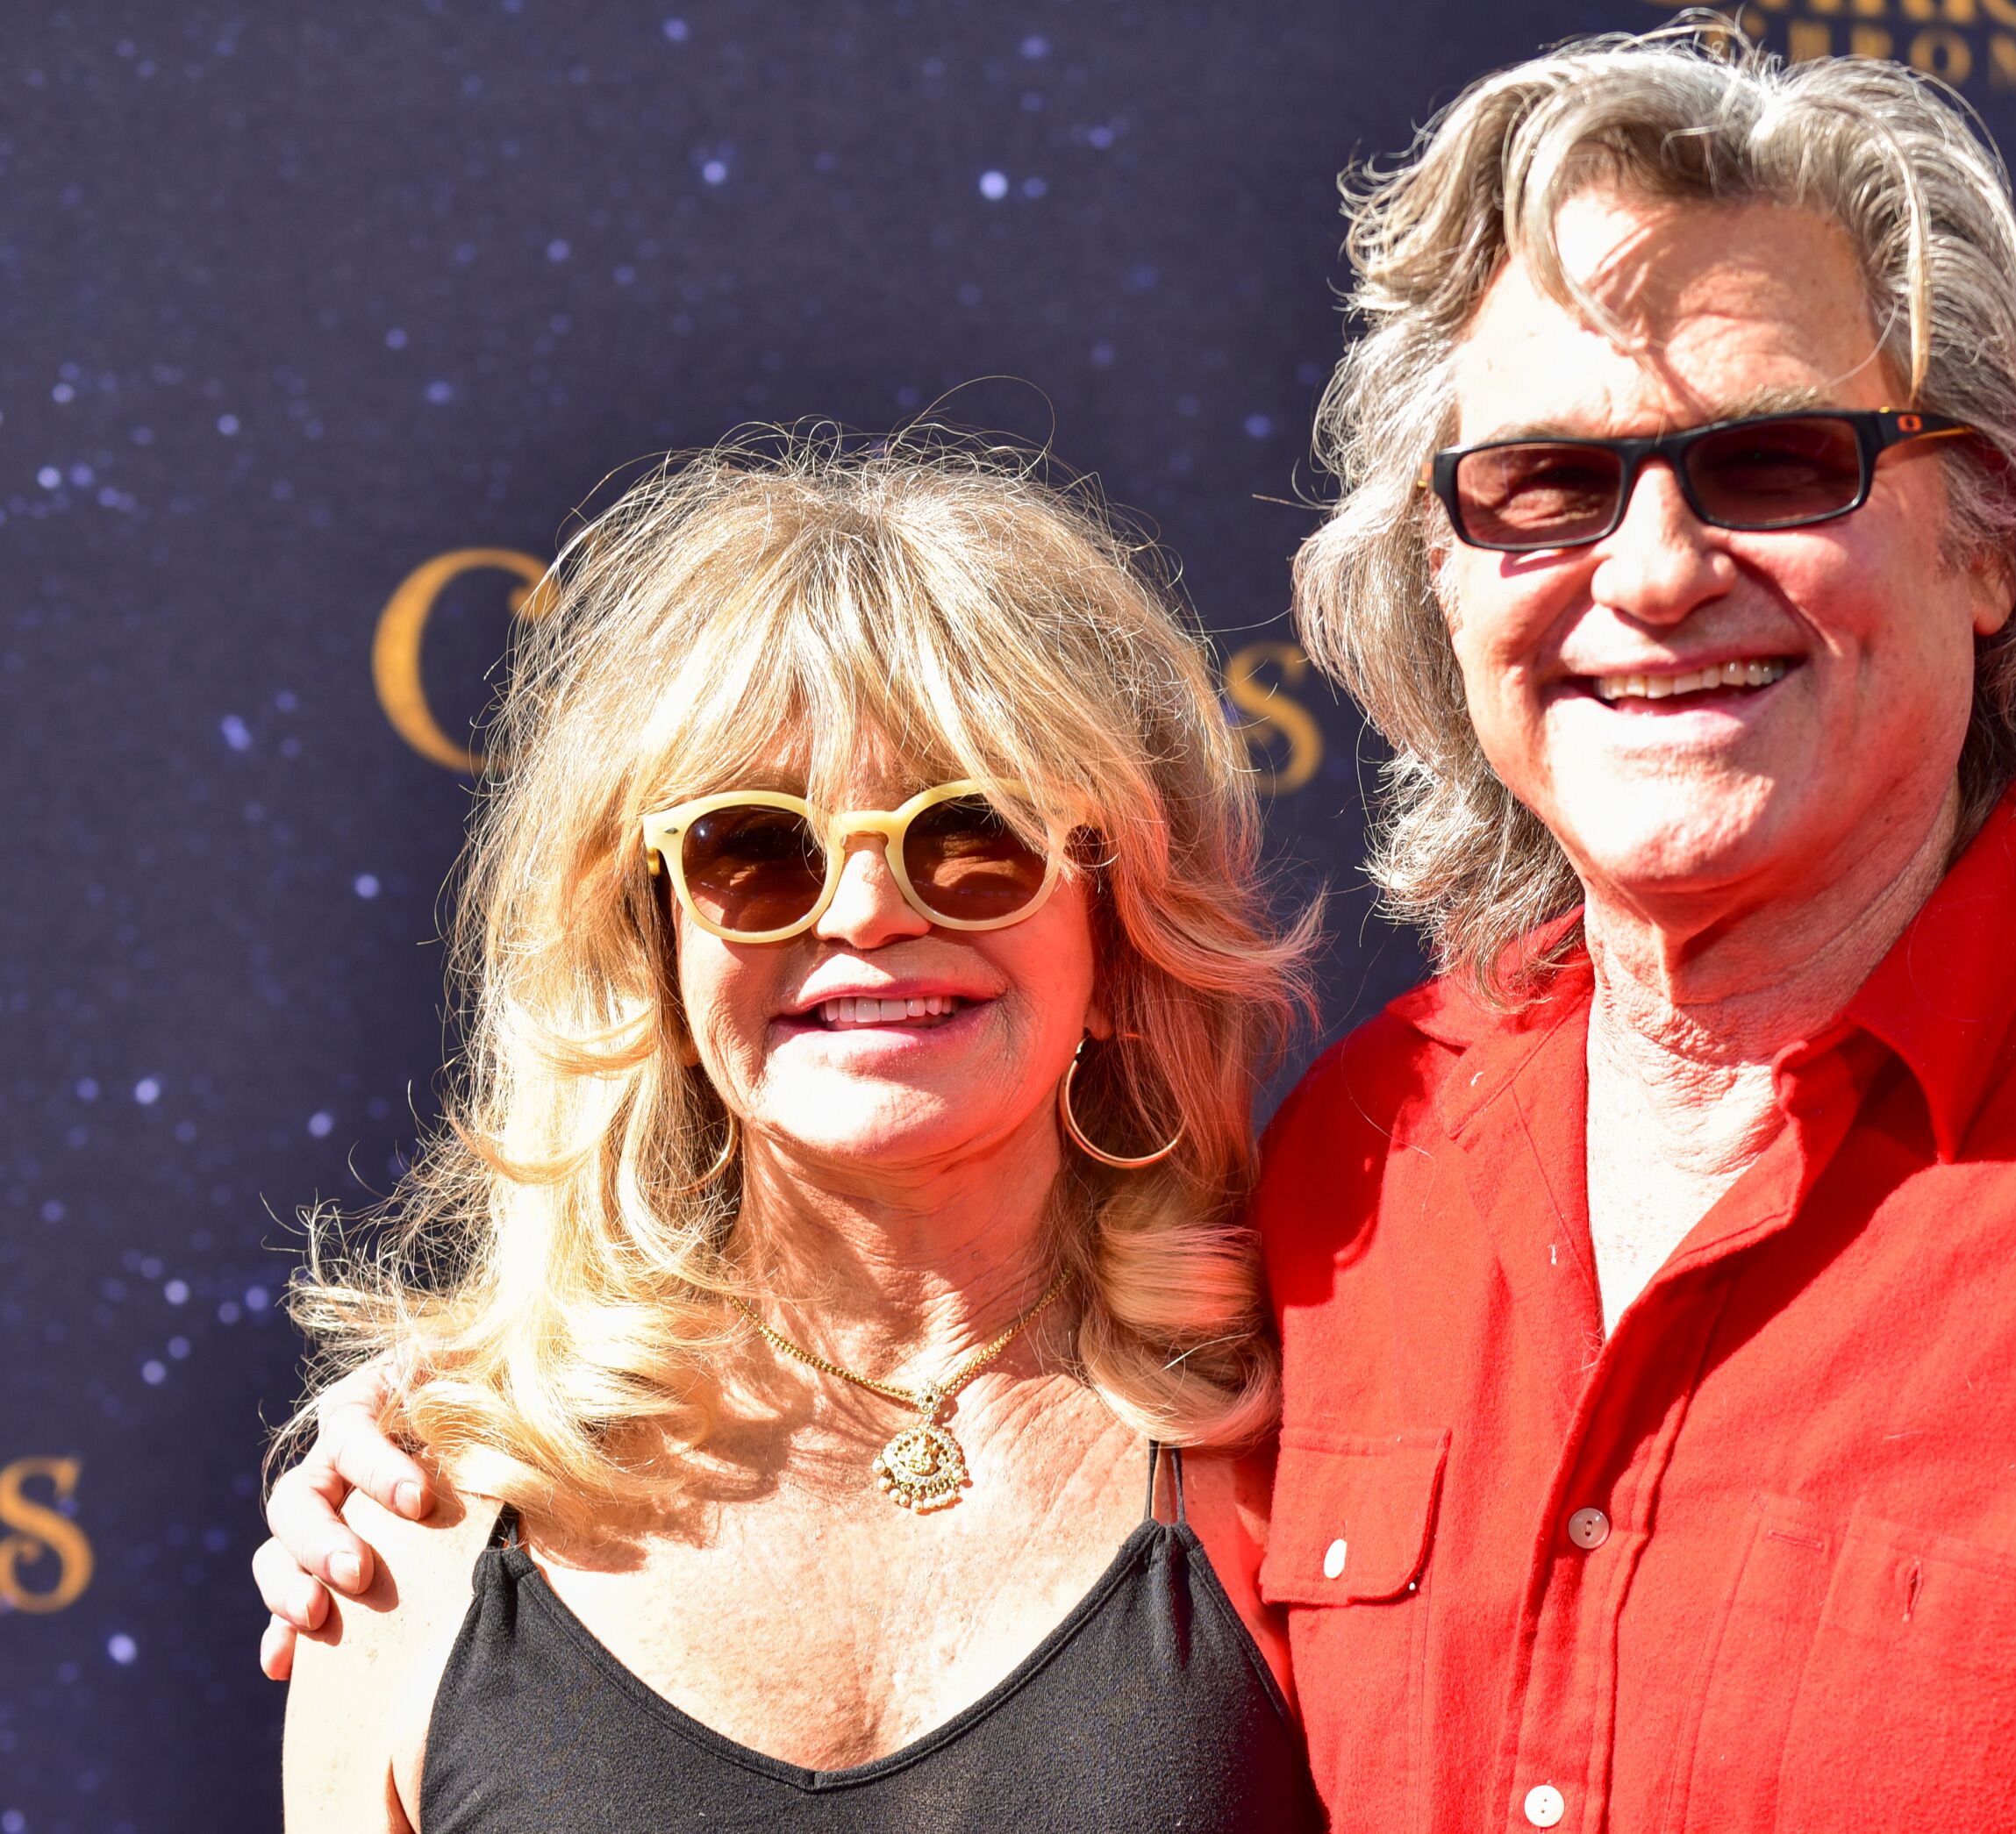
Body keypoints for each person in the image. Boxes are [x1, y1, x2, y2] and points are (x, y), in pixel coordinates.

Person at [259, 31, 2016, 1831]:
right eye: (1546, 486)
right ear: (1445, 583)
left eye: (1776, 461)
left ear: (1991, 538)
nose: (1655, 567)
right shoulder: (1349, 1194)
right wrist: (409, 1458)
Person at [271, 432, 1325, 1831]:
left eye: (973, 834)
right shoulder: (419, 1515)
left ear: (1118, 921)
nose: (868, 910)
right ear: (650, 941)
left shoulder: (1310, 1441)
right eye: (754, 848)